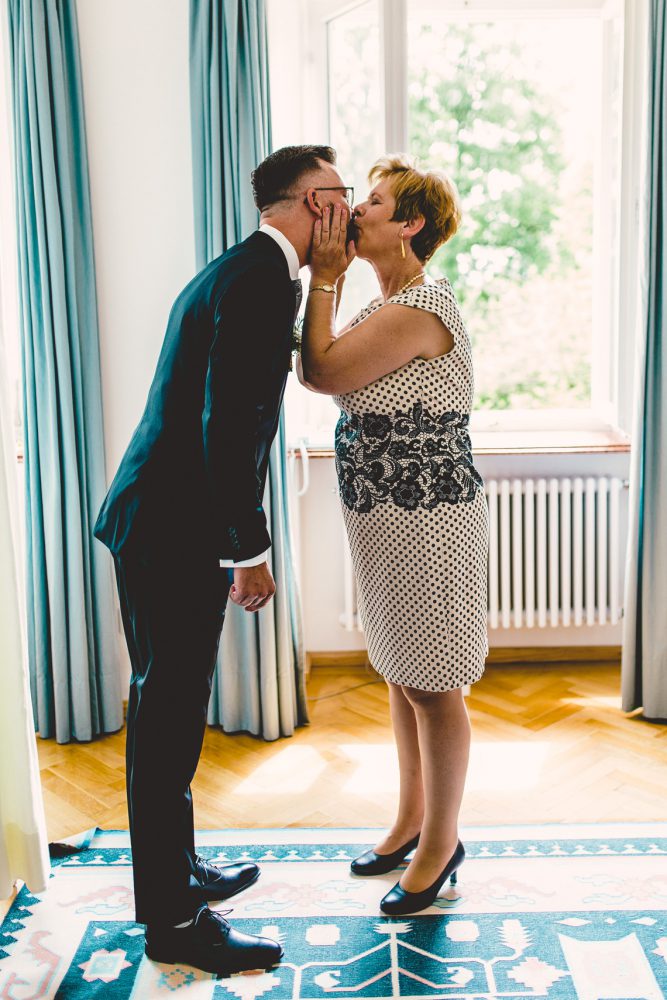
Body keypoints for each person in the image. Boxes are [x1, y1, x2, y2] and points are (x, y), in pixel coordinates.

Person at [93, 144, 353, 973]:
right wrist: (249, 551)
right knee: (167, 723)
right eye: (342, 196)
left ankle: (178, 872)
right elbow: (225, 429)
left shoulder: (241, 268)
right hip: (176, 530)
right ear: (316, 202)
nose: (347, 212)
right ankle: (174, 926)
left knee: (167, 714)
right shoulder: (255, 282)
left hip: (163, 519)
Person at [297, 155, 488, 915]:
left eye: (371, 202)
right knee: (404, 674)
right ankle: (410, 822)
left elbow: (320, 373)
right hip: (385, 517)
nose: (356, 211)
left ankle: (441, 845)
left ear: (408, 224)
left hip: (429, 520)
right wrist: (333, 279)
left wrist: (321, 274)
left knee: (435, 685)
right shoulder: (386, 302)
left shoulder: (418, 307)